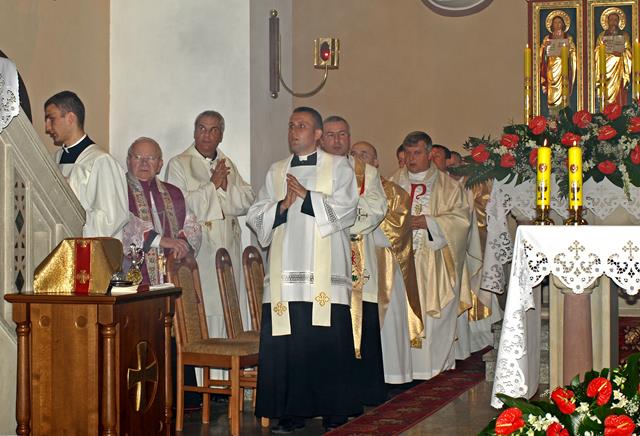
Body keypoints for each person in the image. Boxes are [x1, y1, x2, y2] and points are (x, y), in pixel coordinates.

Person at [247, 107, 362, 433]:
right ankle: (290, 413)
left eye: (301, 125)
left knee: (326, 343)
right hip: (285, 278)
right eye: (291, 125)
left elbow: (347, 209)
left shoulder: (339, 166)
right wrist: (282, 206)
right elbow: (256, 214)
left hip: (324, 276)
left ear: (317, 134)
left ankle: (334, 412)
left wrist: (308, 197)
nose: (294, 130)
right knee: (289, 345)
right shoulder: (277, 170)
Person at [390, 131, 473, 380]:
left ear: (429, 154)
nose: (411, 158)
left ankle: (433, 369)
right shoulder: (392, 184)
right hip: (399, 263)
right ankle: (401, 370)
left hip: (435, 263)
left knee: (434, 317)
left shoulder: (449, 186)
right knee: (399, 317)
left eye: (417, 153)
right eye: (408, 153)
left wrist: (428, 222)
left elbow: (461, 221)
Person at [165, 110, 254, 339]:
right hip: (202, 252)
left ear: (221, 135)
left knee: (230, 310)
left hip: (229, 250)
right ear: (195, 132)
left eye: (214, 130)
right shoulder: (179, 164)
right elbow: (178, 207)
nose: (207, 135)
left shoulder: (227, 164)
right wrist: (212, 186)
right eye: (202, 128)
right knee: (207, 311)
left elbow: (247, 201)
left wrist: (225, 188)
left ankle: (231, 360)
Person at [322, 117, 388, 406]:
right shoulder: (314, 169)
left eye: (342, 134)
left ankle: (362, 392)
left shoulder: (366, 172)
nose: (337, 140)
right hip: (323, 256)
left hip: (356, 253)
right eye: (331, 135)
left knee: (360, 322)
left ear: (349, 138)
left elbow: (377, 208)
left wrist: (341, 220)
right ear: (321, 138)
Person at [351, 141, 423, 385]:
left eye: (364, 154)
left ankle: (391, 375)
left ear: (376, 162)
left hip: (383, 264)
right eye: (353, 154)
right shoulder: (340, 188)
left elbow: (398, 231)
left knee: (386, 320)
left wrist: (361, 225)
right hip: (349, 264)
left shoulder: (393, 192)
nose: (357, 158)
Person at [44, 91, 128, 238]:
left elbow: (112, 219)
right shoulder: (54, 159)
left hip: (86, 248)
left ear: (70, 118)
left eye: (51, 119)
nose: (47, 128)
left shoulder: (100, 161)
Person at [122, 137, 201, 285]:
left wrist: (182, 245)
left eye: (151, 158)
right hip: (134, 277)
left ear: (159, 165)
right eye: (138, 157)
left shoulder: (174, 193)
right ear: (128, 161)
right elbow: (122, 224)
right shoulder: (118, 190)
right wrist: (160, 240)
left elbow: (192, 226)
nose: (144, 163)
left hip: (172, 275)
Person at [540, 12, 577, 115]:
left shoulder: (568, 38)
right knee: (552, 89)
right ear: (552, 24)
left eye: (559, 22)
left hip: (563, 67)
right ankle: (553, 114)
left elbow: (573, 53)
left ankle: (564, 112)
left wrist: (568, 50)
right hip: (551, 69)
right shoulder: (547, 38)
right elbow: (542, 55)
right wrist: (544, 48)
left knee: (564, 89)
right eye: (555, 22)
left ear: (563, 24)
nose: (557, 24)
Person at [595, 8, 632, 106]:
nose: (613, 22)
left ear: (619, 21)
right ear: (607, 21)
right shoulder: (602, 35)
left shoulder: (624, 35)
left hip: (619, 68)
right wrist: (605, 50)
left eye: (615, 20)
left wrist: (622, 54)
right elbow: (597, 51)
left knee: (619, 90)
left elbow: (628, 51)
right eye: (611, 20)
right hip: (605, 68)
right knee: (605, 90)